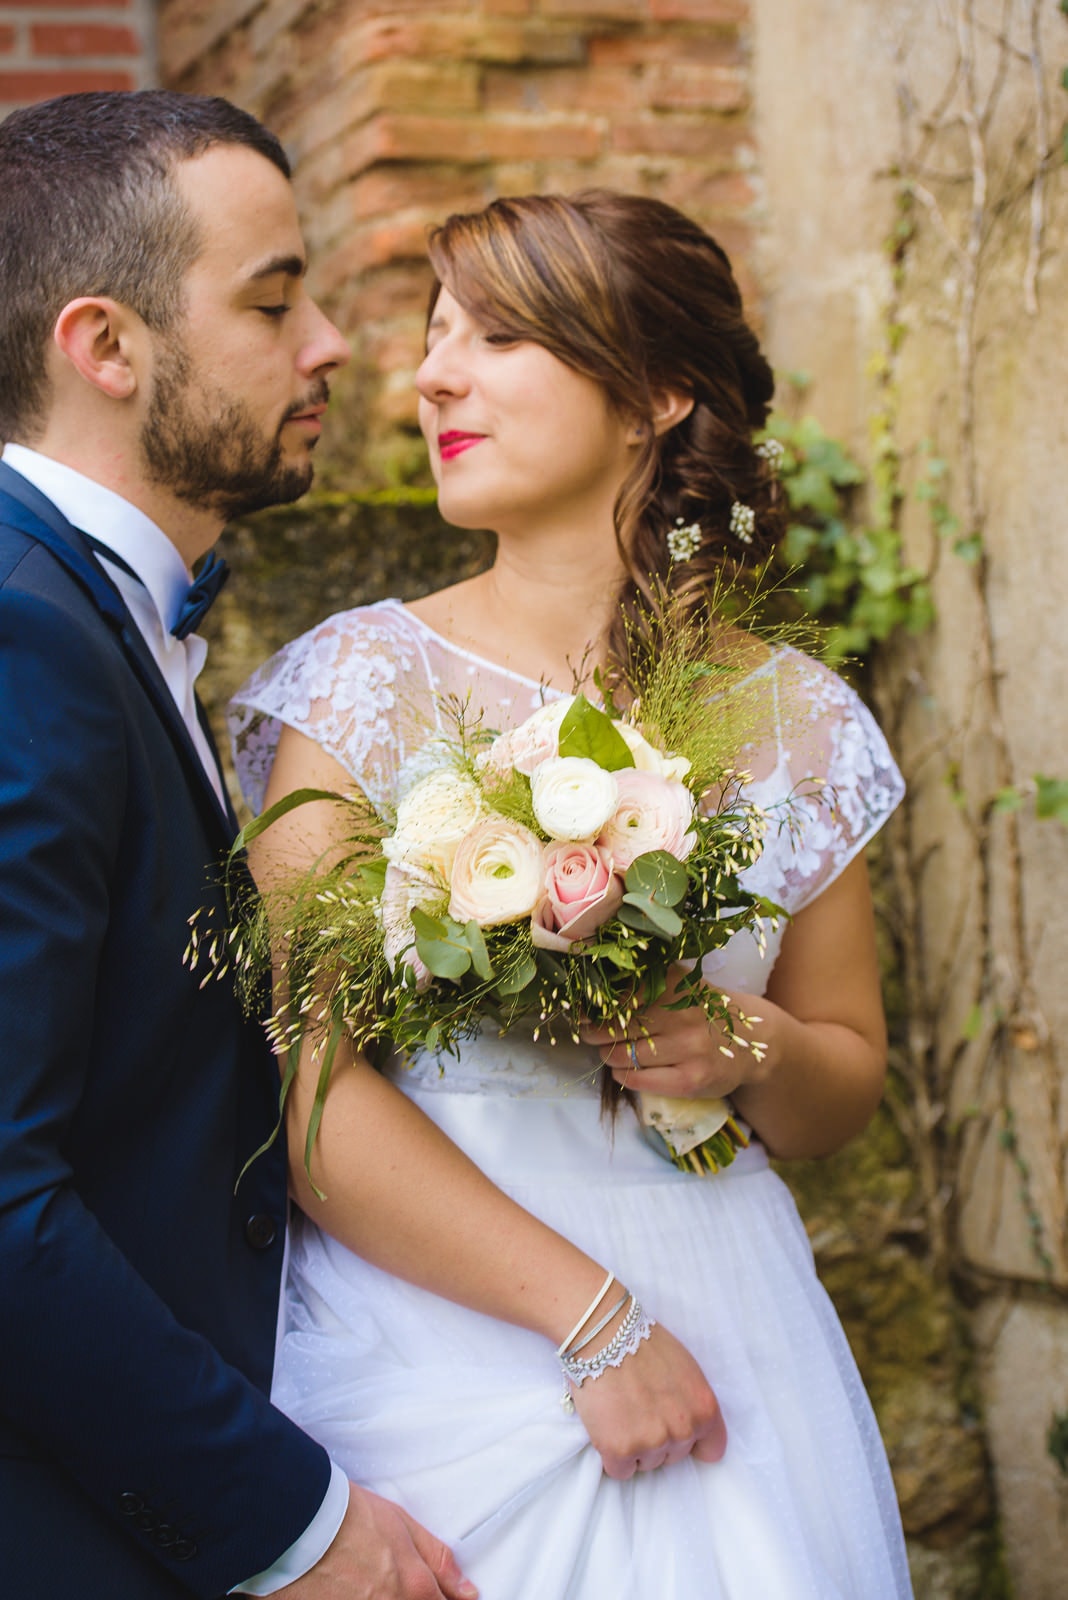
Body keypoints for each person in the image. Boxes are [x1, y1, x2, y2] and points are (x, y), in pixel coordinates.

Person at [1, 96, 725, 1600]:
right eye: (274, 301)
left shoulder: (97, 617)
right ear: (107, 348)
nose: (338, 345)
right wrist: (290, 1523)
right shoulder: (21, 627)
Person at [231, 191, 914, 1598]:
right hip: (441, 1331)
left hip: (734, 1315)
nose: (431, 377)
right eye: (433, 340)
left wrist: (746, 1047)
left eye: (496, 337)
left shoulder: (802, 723)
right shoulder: (360, 687)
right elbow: (302, 1087)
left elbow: (842, 1086)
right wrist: (597, 1328)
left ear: (657, 393)